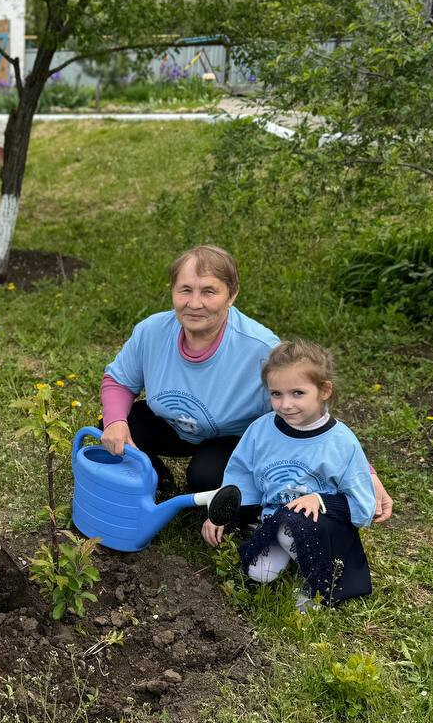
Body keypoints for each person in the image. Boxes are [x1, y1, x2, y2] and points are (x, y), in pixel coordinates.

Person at [98, 244, 392, 519]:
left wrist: (365, 473)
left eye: (209, 292)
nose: (194, 303)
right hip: (171, 425)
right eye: (185, 290)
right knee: (117, 424)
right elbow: (119, 381)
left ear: (232, 294)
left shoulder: (260, 348)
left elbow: (310, 413)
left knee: (206, 479)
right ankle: (155, 478)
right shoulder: (152, 331)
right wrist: (114, 422)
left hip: (232, 439)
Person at [202, 340, 376, 608]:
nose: (285, 404)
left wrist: (320, 500)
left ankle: (316, 580)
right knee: (258, 573)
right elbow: (241, 475)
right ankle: (289, 551)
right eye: (276, 394)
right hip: (274, 520)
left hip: (323, 528)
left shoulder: (341, 442)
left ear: (324, 390)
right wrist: (222, 512)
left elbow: (363, 506)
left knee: (291, 528)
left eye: (298, 393)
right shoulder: (261, 430)